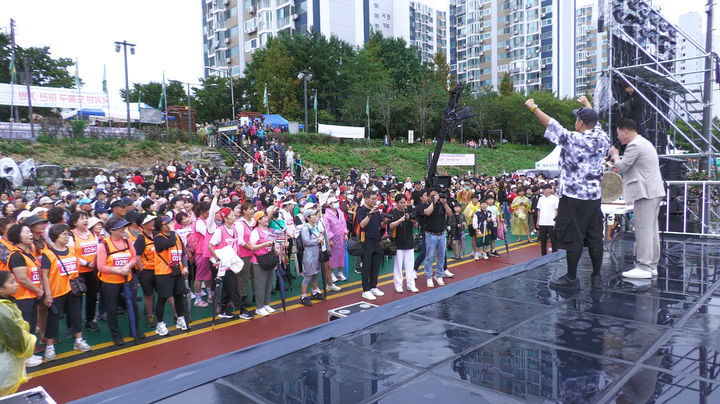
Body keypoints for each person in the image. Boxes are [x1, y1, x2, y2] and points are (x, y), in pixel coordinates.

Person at [526, 95, 610, 289]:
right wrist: (587, 105)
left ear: (580, 123)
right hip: (594, 198)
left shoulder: (574, 139)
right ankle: (596, 277)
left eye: (576, 119)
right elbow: (596, 125)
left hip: (574, 198)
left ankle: (571, 278)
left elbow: (552, 126)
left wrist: (534, 108)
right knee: (595, 236)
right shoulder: (603, 139)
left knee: (574, 237)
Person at [609, 118, 664, 279]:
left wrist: (615, 155)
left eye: (618, 134)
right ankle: (651, 265)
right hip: (652, 191)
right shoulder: (643, 143)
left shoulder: (634, 144)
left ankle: (644, 266)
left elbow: (623, 166)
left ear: (626, 131)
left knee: (643, 229)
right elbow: (630, 166)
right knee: (651, 229)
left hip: (646, 192)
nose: (618, 138)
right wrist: (619, 163)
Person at [40, 224, 92, 361]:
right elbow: (45, 275)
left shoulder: (71, 250)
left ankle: (79, 340)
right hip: (57, 291)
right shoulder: (48, 254)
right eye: (63, 234)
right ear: (55, 237)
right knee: (53, 318)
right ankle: (50, 346)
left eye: (67, 234)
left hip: (73, 289)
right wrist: (48, 293)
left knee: (76, 315)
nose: (67, 236)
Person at [96, 217, 140, 346]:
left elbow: (133, 257)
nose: (123, 229)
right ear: (111, 230)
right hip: (110, 282)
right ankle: (116, 335)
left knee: (133, 305)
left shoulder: (127, 241)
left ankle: (135, 330)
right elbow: (101, 266)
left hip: (127, 279)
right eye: (120, 228)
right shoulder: (103, 245)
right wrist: (118, 271)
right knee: (112, 308)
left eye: (123, 227)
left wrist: (127, 267)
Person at [0, 271, 39, 395]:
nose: (16, 285)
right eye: (11, 282)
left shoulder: (7, 304)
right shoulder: (2, 311)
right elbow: (17, 343)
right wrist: (30, 342)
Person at [152, 216, 188, 336]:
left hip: (177, 271)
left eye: (171, 222)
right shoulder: (158, 239)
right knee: (163, 298)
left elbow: (182, 252)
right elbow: (170, 243)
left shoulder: (176, 236)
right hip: (164, 273)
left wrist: (185, 266)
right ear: (160, 226)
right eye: (167, 223)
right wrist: (173, 229)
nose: (170, 224)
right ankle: (160, 324)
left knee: (179, 296)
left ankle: (180, 319)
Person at [355, 190, 386, 300]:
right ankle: (366, 290)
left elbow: (380, 225)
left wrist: (385, 221)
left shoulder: (376, 211)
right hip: (366, 241)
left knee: (375, 266)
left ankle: (373, 287)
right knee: (366, 267)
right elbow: (362, 224)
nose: (375, 201)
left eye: (376, 199)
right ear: (366, 199)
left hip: (376, 240)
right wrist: (370, 213)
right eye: (372, 199)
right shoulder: (360, 210)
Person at [248, 211, 277, 316]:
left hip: (269, 259)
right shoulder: (255, 232)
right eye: (263, 217)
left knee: (269, 284)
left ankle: (266, 304)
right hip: (259, 261)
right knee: (260, 284)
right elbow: (252, 247)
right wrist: (265, 244)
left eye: (266, 217)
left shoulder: (268, 230)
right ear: (258, 220)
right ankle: (259, 307)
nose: (266, 219)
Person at [422, 189, 453, 288]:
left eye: (436, 195)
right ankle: (429, 277)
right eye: (433, 195)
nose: (435, 197)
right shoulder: (425, 205)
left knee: (441, 256)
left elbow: (449, 213)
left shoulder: (441, 205)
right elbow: (427, 212)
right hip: (431, 234)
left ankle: (439, 275)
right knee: (429, 257)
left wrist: (444, 204)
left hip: (441, 234)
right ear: (428, 197)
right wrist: (434, 202)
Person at [389, 195, 418, 293]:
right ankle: (398, 285)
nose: (403, 204)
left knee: (410, 265)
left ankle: (411, 284)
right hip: (398, 243)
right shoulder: (393, 212)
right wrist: (401, 219)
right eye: (401, 202)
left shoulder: (409, 212)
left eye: (404, 202)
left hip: (409, 242)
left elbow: (416, 225)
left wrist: (413, 220)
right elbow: (391, 225)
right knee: (398, 266)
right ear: (396, 203)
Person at [298, 209, 325, 306]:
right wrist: (318, 241)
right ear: (308, 218)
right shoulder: (305, 228)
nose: (315, 216)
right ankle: (303, 296)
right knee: (308, 275)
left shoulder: (315, 227)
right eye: (313, 215)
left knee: (316, 274)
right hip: (309, 255)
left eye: (315, 214)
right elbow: (306, 242)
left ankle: (314, 292)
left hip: (316, 254)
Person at [321, 196, 348, 283]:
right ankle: (332, 273)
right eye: (333, 202)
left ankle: (340, 272)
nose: (336, 203)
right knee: (332, 256)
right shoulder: (327, 215)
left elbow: (344, 224)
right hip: (333, 239)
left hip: (341, 238)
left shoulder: (340, 212)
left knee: (341, 255)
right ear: (329, 204)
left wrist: (345, 233)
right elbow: (326, 229)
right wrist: (329, 239)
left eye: (336, 201)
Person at [536, 184, 559, 256]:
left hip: (551, 222)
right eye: (543, 189)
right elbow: (539, 211)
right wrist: (538, 221)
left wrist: (556, 221)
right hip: (542, 222)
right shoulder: (541, 199)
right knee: (543, 241)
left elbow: (557, 210)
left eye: (545, 189)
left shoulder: (555, 198)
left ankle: (555, 256)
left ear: (550, 189)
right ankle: (543, 256)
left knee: (553, 241)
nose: (544, 190)